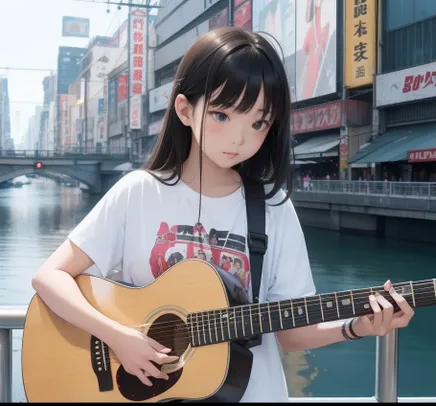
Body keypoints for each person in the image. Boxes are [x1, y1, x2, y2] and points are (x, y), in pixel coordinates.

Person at [31, 27, 415, 403]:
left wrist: (355, 326)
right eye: (221, 115)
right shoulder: (139, 192)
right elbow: (50, 277)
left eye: (258, 123)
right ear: (185, 109)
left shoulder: (272, 206)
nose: (239, 138)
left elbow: (294, 333)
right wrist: (119, 337)